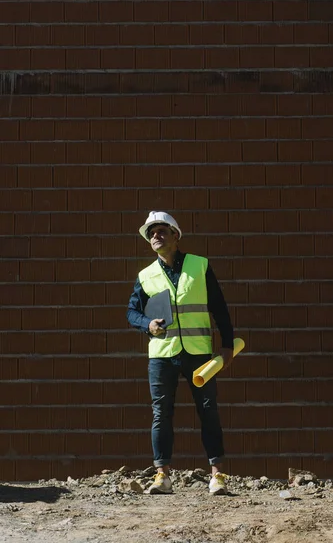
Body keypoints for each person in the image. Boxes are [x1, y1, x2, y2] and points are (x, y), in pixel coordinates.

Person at [127, 211, 235, 495]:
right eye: (151, 232)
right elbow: (132, 312)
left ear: (176, 235)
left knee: (209, 411)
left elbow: (219, 307)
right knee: (161, 413)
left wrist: (227, 344)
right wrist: (147, 325)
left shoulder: (199, 266)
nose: (155, 236)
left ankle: (218, 475)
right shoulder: (145, 275)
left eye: (161, 230)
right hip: (162, 355)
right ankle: (162, 475)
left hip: (199, 353)